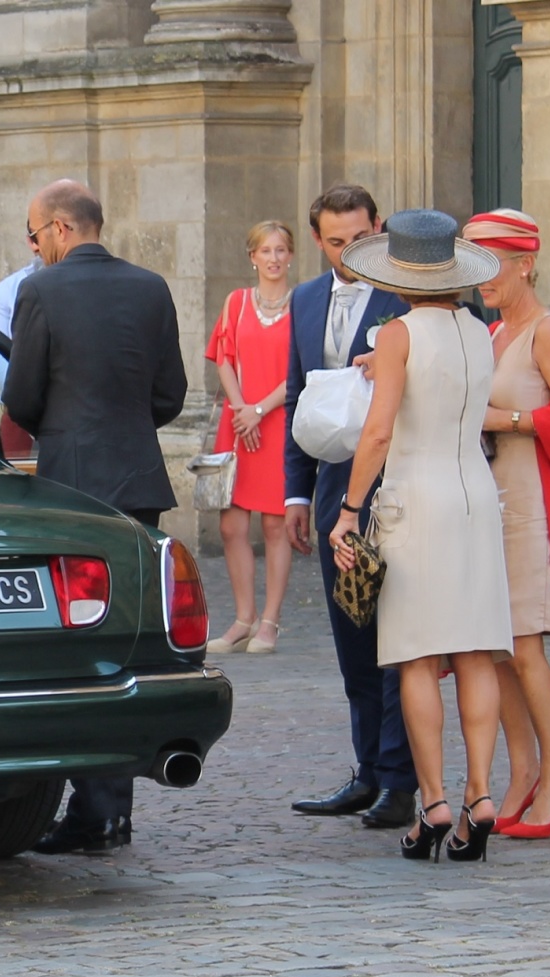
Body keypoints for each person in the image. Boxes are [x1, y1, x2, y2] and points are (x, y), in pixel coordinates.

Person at [2, 179, 187, 854]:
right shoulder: (150, 286)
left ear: (58, 229)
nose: (34, 246)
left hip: (72, 488)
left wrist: (63, 430)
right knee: (129, 642)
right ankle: (112, 806)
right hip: (137, 481)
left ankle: (95, 809)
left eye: (33, 233)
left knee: (78, 650)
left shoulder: (42, 291)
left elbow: (21, 393)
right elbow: (170, 392)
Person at [328, 209, 510, 862]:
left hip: (417, 499)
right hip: (475, 495)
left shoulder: (401, 333)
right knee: (475, 651)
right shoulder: (480, 329)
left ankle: (433, 801)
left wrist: (349, 510)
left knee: (416, 657)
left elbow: (378, 433)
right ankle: (481, 794)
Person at [283, 184, 417, 829]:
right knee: (352, 631)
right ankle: (366, 770)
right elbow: (296, 397)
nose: (348, 251)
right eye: (336, 242)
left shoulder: (412, 299)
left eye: (360, 239)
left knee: (398, 635)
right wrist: (296, 492)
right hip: (336, 487)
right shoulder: (305, 299)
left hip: (402, 484)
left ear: (380, 229)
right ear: (317, 240)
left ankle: (400, 778)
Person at [463, 208, 550, 840]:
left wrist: (506, 421)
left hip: (534, 505)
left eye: (492, 264)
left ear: (526, 264)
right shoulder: (491, 335)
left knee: (526, 647)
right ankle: (521, 774)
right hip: (495, 505)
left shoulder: (548, 331)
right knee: (495, 649)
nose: (481, 277)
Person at [205, 220, 295, 656]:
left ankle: (270, 622)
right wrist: (242, 409)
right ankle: (243, 617)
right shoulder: (237, 302)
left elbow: (299, 372)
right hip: (238, 423)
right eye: (266, 251)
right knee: (231, 524)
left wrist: (260, 409)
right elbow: (223, 357)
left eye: (281, 251)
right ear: (252, 257)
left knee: (276, 524)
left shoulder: (302, 305)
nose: (273, 259)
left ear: (291, 256)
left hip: (276, 421)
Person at [0, 236, 43, 457]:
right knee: (15, 485)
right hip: (19, 411)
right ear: (32, 241)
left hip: (72, 413)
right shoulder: (9, 288)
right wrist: (26, 397)